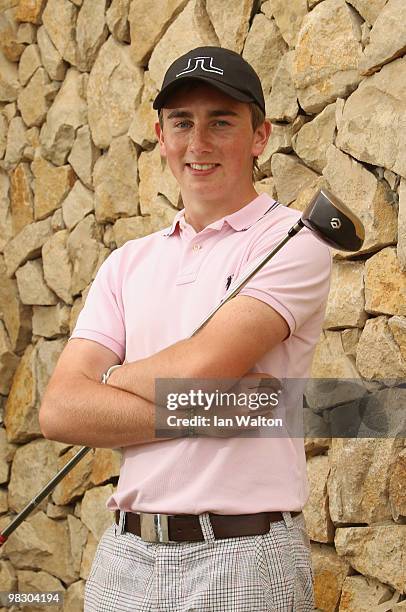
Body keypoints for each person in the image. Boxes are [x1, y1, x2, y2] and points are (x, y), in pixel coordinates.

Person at [39, 46, 332, 611]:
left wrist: (109, 382)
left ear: (259, 136)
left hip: (244, 556)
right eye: (183, 122)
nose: (198, 142)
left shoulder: (291, 240)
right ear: (161, 135)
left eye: (221, 121)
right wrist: (215, 412)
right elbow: (58, 411)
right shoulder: (126, 263)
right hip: (125, 556)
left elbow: (203, 367)